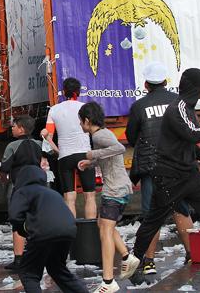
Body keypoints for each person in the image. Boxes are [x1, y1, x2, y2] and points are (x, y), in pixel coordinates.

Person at [124, 69, 200, 283]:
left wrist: (198, 153)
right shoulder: (178, 107)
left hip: (188, 173)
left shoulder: (186, 107)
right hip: (169, 176)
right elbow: (192, 134)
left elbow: (179, 139)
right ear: (197, 87)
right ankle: (133, 267)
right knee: (153, 221)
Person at [125, 62, 193, 275]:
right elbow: (191, 130)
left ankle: (149, 261)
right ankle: (192, 253)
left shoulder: (139, 106)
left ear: (146, 84)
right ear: (166, 82)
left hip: (151, 166)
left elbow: (131, 136)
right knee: (180, 209)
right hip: (177, 165)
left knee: (151, 215)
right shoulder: (178, 102)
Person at [76, 102, 135, 293]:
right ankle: (127, 257)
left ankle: (108, 282)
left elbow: (119, 148)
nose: (80, 125)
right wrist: (91, 162)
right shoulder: (101, 134)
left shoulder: (100, 135)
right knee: (103, 224)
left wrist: (91, 153)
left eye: (80, 122)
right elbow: (110, 159)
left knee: (105, 233)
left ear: (87, 120)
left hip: (115, 190)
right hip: (118, 188)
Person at [8, 165, 88, 293]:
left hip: (43, 231)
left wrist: (25, 230)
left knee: (29, 272)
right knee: (57, 269)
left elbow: (14, 216)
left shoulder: (23, 191)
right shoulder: (52, 192)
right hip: (68, 231)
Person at [41, 78, 96, 218]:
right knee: (89, 196)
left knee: (69, 198)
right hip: (85, 154)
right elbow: (94, 131)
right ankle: (90, 231)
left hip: (65, 157)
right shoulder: (85, 107)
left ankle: (72, 230)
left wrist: (59, 151)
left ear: (63, 92)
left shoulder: (54, 110)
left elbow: (48, 137)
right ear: (78, 91)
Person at [1, 115, 42, 271]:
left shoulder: (12, 146)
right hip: (38, 187)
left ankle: (18, 259)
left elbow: (4, 168)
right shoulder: (39, 144)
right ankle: (36, 256)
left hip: (20, 188)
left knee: (18, 222)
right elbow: (49, 156)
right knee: (35, 221)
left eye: (14, 126)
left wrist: (4, 180)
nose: (12, 128)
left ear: (22, 129)